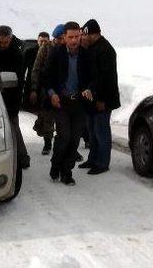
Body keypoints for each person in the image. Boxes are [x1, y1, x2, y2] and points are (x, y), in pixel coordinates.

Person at [45, 21, 93, 185]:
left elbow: (92, 78)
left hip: (79, 104)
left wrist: (89, 89)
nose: (74, 40)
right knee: (64, 137)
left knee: (74, 140)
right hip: (61, 103)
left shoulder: (86, 55)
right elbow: (48, 77)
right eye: (70, 37)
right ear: (64, 37)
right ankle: (55, 165)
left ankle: (67, 171)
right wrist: (52, 94)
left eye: (77, 36)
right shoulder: (56, 53)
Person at [78, 19, 120, 175]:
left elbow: (107, 78)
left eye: (84, 34)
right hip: (92, 99)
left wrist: (103, 100)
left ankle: (102, 163)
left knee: (101, 131)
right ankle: (93, 159)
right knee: (92, 130)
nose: (82, 37)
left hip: (103, 99)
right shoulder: (93, 48)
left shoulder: (105, 50)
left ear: (91, 34)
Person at [0, 25, 31, 169]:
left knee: (13, 127)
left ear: (10, 39)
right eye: (0, 42)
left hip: (10, 96)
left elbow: (18, 82)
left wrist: (15, 105)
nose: (2, 45)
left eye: (5, 42)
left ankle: (22, 158)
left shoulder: (16, 54)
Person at [29, 24, 64, 155]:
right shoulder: (46, 48)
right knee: (47, 117)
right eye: (58, 38)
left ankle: (64, 146)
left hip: (63, 89)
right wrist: (34, 89)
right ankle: (48, 144)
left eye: (62, 38)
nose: (61, 41)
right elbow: (36, 69)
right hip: (47, 88)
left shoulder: (68, 48)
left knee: (63, 119)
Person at [22, 31, 50, 112]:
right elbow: (23, 70)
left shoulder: (51, 53)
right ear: (37, 41)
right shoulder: (29, 52)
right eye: (41, 41)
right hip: (30, 86)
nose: (43, 43)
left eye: (45, 41)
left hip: (45, 87)